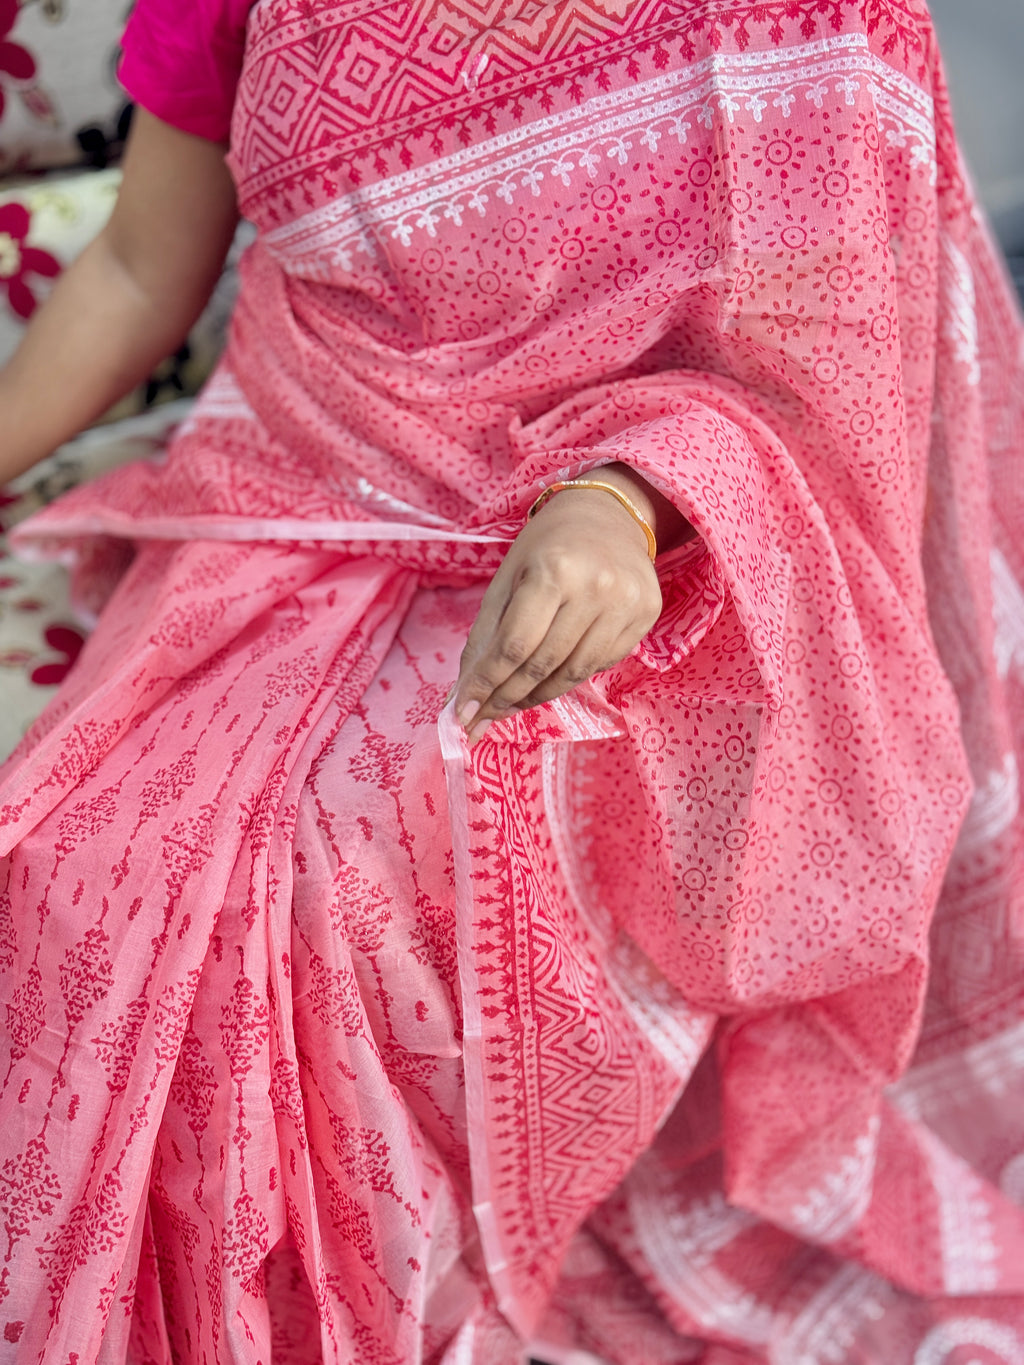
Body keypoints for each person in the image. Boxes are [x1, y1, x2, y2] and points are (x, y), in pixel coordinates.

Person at [1, 0, 1023, 1360]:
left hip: (664, 550)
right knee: (72, 862)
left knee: (350, 896)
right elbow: (139, 268)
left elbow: (827, 369)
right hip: (296, 490)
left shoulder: (804, 22)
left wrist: (627, 503)